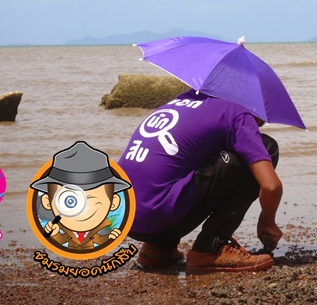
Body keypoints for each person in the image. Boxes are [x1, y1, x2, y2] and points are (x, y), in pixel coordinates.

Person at [118, 89, 283, 274]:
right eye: (261, 119)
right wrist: (267, 221)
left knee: (183, 163)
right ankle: (210, 248)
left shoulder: (183, 100)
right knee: (266, 147)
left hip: (125, 218)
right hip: (159, 215)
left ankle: (158, 247)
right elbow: (271, 186)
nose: (259, 126)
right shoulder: (237, 113)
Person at [29, 141, 131, 254]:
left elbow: (101, 239)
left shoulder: (102, 229)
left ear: (114, 202)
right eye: (69, 201)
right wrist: (54, 234)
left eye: (91, 200)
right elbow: (62, 240)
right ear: (47, 202)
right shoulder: (62, 228)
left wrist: (110, 237)